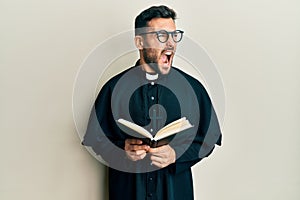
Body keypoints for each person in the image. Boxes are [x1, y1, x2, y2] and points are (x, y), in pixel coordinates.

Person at [82, 5, 222, 200]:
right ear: (140, 42)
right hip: (128, 192)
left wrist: (176, 155)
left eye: (174, 35)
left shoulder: (193, 89)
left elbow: (208, 138)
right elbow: (97, 140)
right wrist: (123, 151)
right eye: (161, 36)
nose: (171, 43)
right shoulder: (113, 89)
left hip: (174, 192)